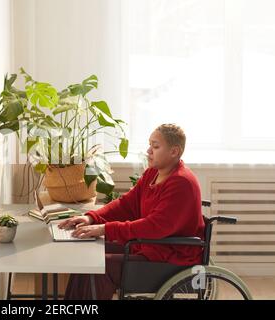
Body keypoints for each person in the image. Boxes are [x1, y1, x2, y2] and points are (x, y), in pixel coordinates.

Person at [58, 124, 205, 300]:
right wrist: (91, 218)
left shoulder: (182, 182)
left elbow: (155, 226)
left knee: (98, 266)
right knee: (86, 255)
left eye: (156, 146)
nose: (149, 150)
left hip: (171, 257)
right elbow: (126, 204)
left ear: (174, 151)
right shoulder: (153, 173)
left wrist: (105, 229)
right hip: (150, 247)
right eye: (150, 144)